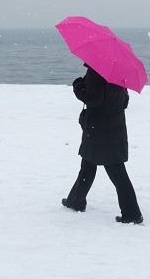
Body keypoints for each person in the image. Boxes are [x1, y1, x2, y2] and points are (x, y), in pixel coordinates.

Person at [61, 63, 144, 224]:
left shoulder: (96, 70)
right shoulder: (118, 71)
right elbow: (125, 101)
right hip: (113, 127)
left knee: (116, 172)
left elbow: (94, 99)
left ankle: (132, 214)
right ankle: (76, 200)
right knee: (88, 164)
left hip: (99, 130)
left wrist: (78, 86)